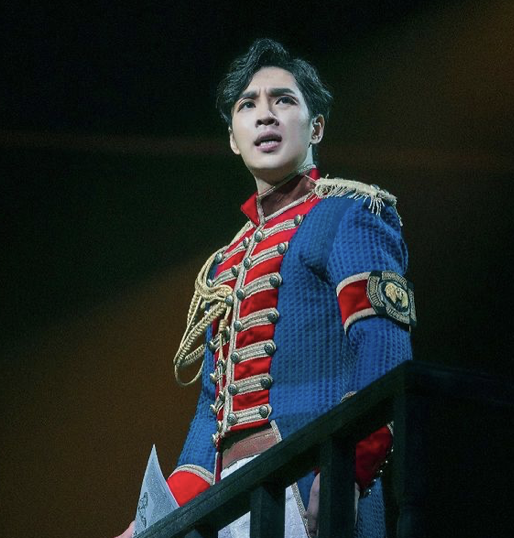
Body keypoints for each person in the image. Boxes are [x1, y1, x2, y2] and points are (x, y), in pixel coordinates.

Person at [116, 38, 415, 538]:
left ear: (316, 127)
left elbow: (384, 351)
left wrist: (346, 470)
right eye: (247, 105)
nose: (265, 115)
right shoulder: (224, 266)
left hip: (314, 484)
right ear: (234, 139)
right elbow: (208, 427)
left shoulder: (348, 215)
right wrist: (150, 525)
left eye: (284, 100)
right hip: (231, 504)